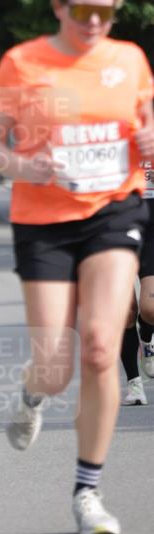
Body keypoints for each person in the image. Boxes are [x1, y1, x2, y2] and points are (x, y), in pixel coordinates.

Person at [0, 0, 154, 534]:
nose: (95, 23)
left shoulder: (129, 60)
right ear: (59, 6)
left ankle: (88, 492)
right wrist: (26, 167)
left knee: (103, 344)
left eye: (106, 13)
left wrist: (149, 144)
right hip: (44, 221)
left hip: (112, 209)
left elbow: (144, 128)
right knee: (55, 364)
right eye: (84, 13)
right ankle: (33, 396)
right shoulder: (23, 63)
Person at [119, 157, 154, 405]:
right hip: (114, 220)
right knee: (126, 311)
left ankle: (148, 337)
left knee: (150, 309)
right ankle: (134, 385)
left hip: (150, 222)